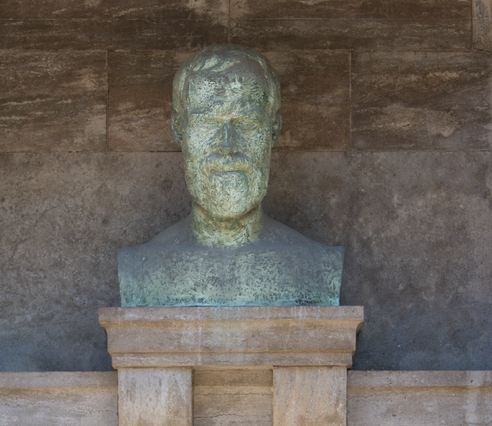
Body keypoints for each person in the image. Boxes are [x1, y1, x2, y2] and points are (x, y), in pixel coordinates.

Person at [118, 44, 344, 307]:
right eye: (207, 123)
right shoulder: (140, 270)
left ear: (273, 130)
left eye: (247, 123)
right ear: (180, 130)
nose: (227, 145)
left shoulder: (317, 267)